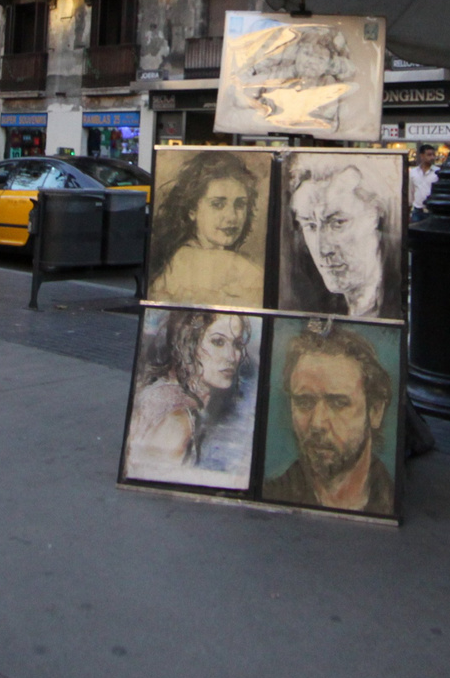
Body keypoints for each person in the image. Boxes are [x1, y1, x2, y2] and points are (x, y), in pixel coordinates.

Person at [263, 325, 395, 514]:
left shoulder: (389, 499)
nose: (318, 423)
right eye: (305, 402)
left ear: (375, 411)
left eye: (338, 404)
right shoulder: (272, 496)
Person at [126, 311, 254, 481]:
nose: (231, 357)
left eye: (237, 344)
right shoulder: (179, 420)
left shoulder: (165, 392)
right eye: (218, 342)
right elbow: (158, 482)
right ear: (187, 342)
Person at [285, 157, 402, 318]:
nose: (323, 249)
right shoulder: (312, 306)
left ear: (377, 216)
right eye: (311, 226)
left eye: (338, 223)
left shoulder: (402, 304)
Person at [149, 151, 265, 306]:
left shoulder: (174, 256)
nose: (231, 216)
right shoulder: (240, 269)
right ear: (192, 210)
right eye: (217, 204)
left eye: (240, 204)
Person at [409, 143, 439, 222]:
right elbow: (411, 191)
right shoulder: (413, 172)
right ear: (422, 156)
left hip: (432, 210)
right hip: (417, 210)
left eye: (433, 155)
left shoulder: (437, 172)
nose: (432, 157)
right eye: (429, 155)